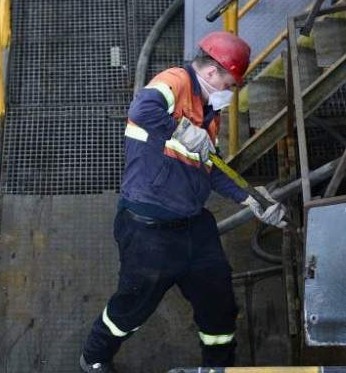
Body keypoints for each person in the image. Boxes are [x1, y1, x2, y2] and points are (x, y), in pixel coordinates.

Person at [80, 31, 287, 372]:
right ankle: (94, 358)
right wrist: (180, 129)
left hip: (194, 229)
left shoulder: (210, 115)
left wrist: (252, 201)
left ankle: (218, 364)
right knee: (133, 307)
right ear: (210, 74)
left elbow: (212, 169)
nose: (232, 93)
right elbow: (142, 108)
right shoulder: (175, 81)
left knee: (218, 303)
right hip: (148, 231)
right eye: (231, 84)